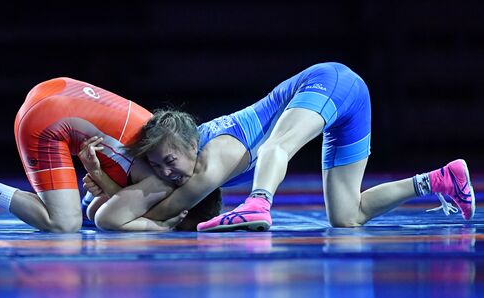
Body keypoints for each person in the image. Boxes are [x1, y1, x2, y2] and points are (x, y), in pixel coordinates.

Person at [121, 62, 475, 231]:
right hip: (347, 101)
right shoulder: (192, 151)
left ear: (190, 145)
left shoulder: (209, 161)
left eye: (169, 161)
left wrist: (107, 186)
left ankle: (258, 202)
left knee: (279, 143)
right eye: (158, 168)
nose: (166, 173)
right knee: (348, 216)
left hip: (329, 82)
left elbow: (157, 213)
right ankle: (439, 180)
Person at [0, 77, 219, 232]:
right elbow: (110, 217)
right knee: (64, 224)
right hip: (48, 120)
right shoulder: (163, 183)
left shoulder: (166, 134)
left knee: (83, 214)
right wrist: (160, 227)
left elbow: (99, 209)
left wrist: (100, 179)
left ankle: (72, 202)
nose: (169, 174)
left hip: (56, 90)